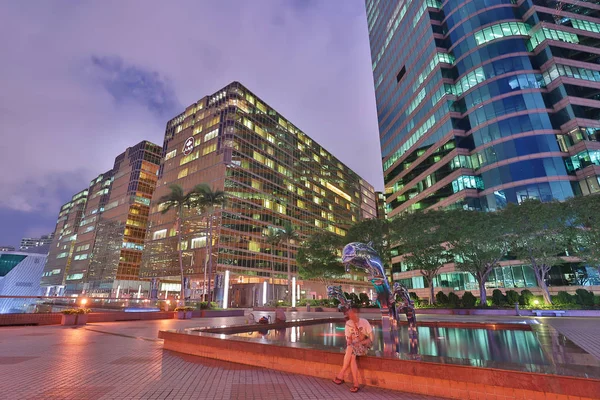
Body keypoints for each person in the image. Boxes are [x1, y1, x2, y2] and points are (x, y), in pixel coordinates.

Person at [332, 305, 373, 393]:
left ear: (357, 314)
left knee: (351, 350)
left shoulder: (364, 322)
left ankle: (341, 374)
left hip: (365, 346)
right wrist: (350, 341)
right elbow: (349, 339)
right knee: (352, 355)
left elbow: (371, 339)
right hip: (354, 346)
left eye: (352, 313)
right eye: (350, 314)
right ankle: (356, 383)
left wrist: (357, 333)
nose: (351, 315)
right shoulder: (348, 324)